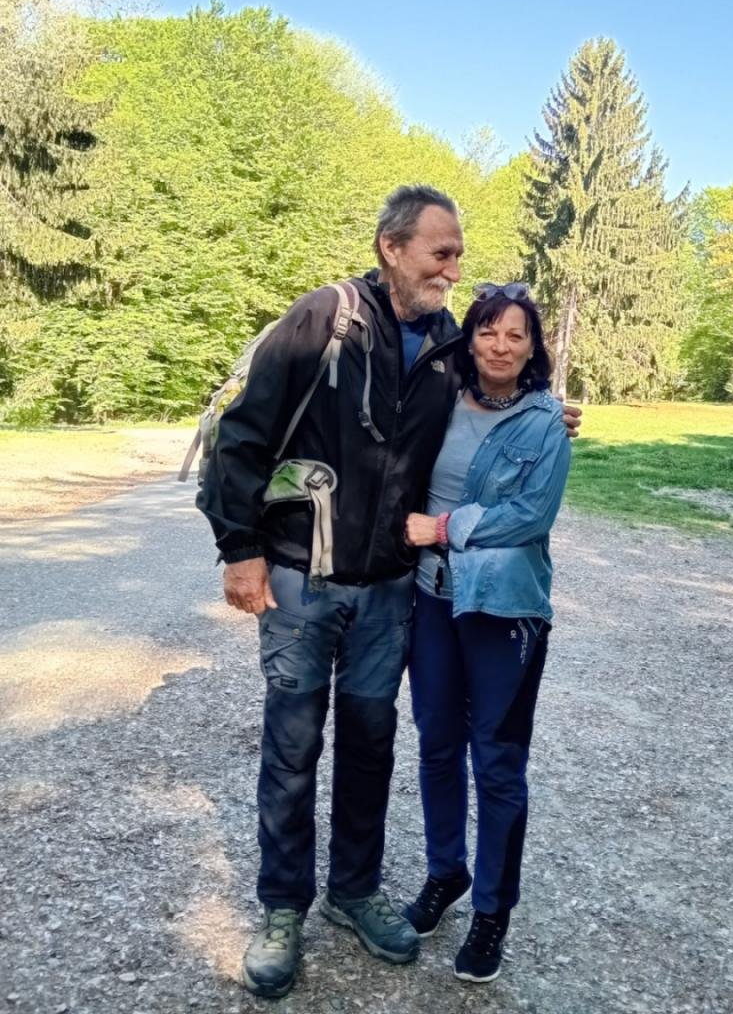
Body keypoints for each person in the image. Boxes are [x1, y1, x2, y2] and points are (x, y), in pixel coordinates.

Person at [197, 186, 580, 1000]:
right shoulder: (324, 319)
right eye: (441, 252)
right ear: (391, 248)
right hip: (300, 580)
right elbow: (242, 435)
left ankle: (354, 891)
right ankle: (282, 908)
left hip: (388, 590)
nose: (454, 269)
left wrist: (549, 412)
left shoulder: (448, 343)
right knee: (293, 748)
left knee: (371, 746)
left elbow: (495, 399)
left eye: (458, 255)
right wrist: (241, 551)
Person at [401, 283, 571, 984]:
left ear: (533, 350)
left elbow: (531, 516)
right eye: (487, 332)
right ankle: (446, 872)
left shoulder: (546, 422)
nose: (500, 346)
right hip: (430, 601)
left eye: (515, 335)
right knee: (437, 746)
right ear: (468, 340)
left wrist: (443, 528)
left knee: (496, 764)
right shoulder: (438, 402)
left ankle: (493, 911)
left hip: (503, 610)